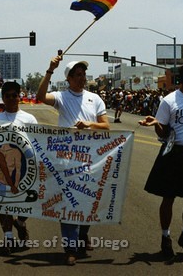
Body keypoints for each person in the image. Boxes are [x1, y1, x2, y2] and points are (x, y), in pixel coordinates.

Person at [37, 56, 110, 266]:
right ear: (68, 78)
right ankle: (70, 247)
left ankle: (82, 234)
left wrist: (89, 124)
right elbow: (40, 96)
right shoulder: (61, 97)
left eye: (84, 74)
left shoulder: (94, 98)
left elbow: (105, 125)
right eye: (78, 75)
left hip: (91, 159)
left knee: (88, 201)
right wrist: (50, 70)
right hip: (66, 160)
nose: (82, 78)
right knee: (68, 203)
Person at [138, 63, 183, 260]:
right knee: (168, 198)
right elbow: (162, 132)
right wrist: (155, 125)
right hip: (171, 152)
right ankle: (165, 237)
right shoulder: (169, 101)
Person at [0, 81, 37, 255]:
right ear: (2, 98)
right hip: (2, 169)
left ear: (20, 96)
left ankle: (21, 221)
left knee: (31, 199)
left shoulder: (29, 119)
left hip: (25, 166)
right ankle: (8, 237)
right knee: (4, 203)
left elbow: (37, 142)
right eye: (7, 95)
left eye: (14, 95)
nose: (11, 98)